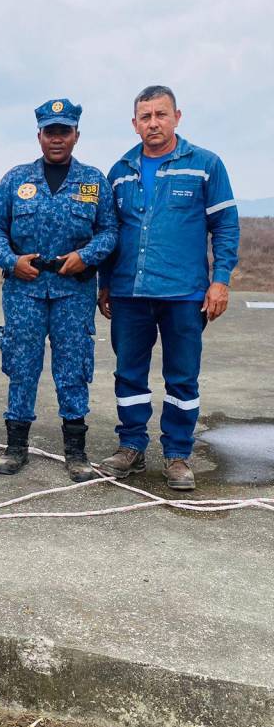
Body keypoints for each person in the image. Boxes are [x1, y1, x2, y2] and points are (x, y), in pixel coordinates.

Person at [98, 86, 239, 490]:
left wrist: (220, 281)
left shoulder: (205, 165)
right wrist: (106, 283)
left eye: (161, 114)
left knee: (182, 378)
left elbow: (225, 227)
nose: (153, 123)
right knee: (128, 375)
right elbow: (111, 232)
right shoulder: (120, 170)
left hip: (184, 294)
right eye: (145, 117)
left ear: (177, 116)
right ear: (134, 123)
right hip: (129, 294)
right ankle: (131, 447)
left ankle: (178, 455)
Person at [0, 99, 118, 481]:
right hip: (24, 292)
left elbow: (110, 231)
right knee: (21, 367)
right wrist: (12, 262)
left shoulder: (94, 182)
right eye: (50, 131)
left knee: (73, 369)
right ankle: (16, 447)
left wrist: (86, 256)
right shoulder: (15, 180)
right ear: (39, 135)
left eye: (64, 131)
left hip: (73, 292)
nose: (56, 138)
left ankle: (75, 452)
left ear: (76, 134)